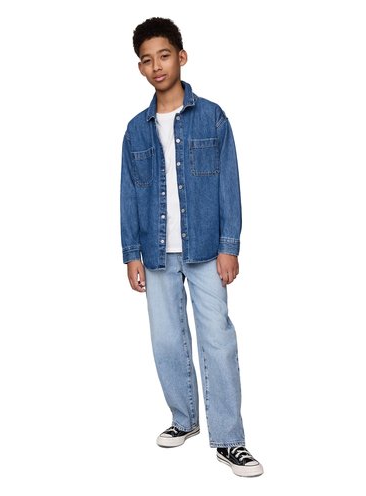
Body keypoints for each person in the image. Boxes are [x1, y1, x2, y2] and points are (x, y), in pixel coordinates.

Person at [120, 17, 263, 478]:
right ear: (140, 68)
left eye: (164, 55)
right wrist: (131, 252)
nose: (156, 66)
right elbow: (128, 194)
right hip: (155, 251)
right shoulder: (135, 130)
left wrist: (229, 245)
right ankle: (184, 419)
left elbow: (229, 183)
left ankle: (230, 439)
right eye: (147, 60)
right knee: (166, 340)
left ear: (181, 57)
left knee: (217, 339)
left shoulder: (212, 117)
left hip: (206, 248)